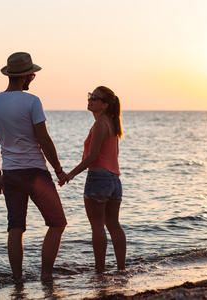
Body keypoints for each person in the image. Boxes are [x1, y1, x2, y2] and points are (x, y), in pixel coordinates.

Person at [0, 52, 68, 282]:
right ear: (24, 77)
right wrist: (59, 170)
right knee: (58, 223)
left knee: (15, 228)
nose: (33, 78)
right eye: (32, 74)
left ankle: (18, 280)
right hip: (35, 173)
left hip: (10, 174)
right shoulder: (32, 101)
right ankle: (46, 275)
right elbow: (44, 140)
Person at [66, 86, 126, 273]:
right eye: (90, 95)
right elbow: (114, 154)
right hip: (114, 179)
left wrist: (70, 174)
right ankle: (121, 269)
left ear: (105, 105)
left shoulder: (100, 124)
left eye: (95, 98)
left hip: (99, 178)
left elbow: (92, 157)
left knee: (98, 226)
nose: (90, 99)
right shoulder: (112, 123)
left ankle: (100, 270)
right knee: (113, 224)